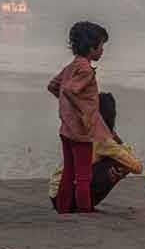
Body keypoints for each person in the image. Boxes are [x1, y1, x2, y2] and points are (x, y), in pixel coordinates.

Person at [46, 21, 113, 213]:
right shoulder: (85, 70)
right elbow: (70, 89)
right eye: (101, 47)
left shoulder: (71, 66)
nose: (102, 51)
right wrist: (82, 110)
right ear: (92, 48)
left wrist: (66, 107)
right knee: (84, 176)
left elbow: (54, 86)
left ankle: (63, 209)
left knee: (69, 172)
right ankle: (85, 210)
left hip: (66, 128)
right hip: (81, 131)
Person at [48, 93, 143, 212]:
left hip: (56, 194)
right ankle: (82, 205)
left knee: (114, 160)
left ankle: (81, 203)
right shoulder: (103, 140)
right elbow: (137, 167)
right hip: (66, 195)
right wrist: (119, 141)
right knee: (120, 163)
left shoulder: (85, 130)